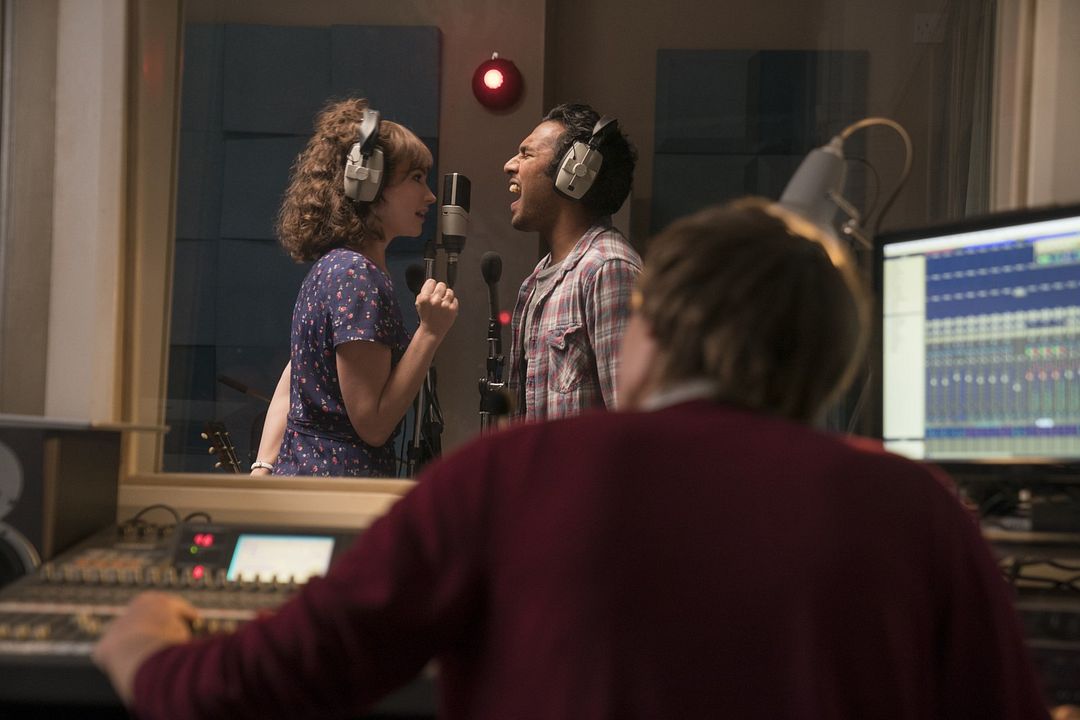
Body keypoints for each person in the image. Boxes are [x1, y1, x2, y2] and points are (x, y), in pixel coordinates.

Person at [94, 199, 1049, 719]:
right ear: (830, 362)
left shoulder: (512, 476)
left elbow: (277, 682)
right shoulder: (918, 513)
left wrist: (144, 651)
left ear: (650, 330)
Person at [250, 98, 458, 478]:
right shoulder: (357, 276)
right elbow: (374, 425)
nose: (429, 196)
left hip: (306, 482)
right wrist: (429, 332)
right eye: (416, 178)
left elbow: (295, 371)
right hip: (338, 489)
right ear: (369, 183)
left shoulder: (335, 265)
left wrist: (263, 466)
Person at [503, 102, 641, 422]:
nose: (510, 165)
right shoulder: (536, 282)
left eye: (526, 154)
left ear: (575, 171)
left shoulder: (608, 270)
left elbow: (633, 427)